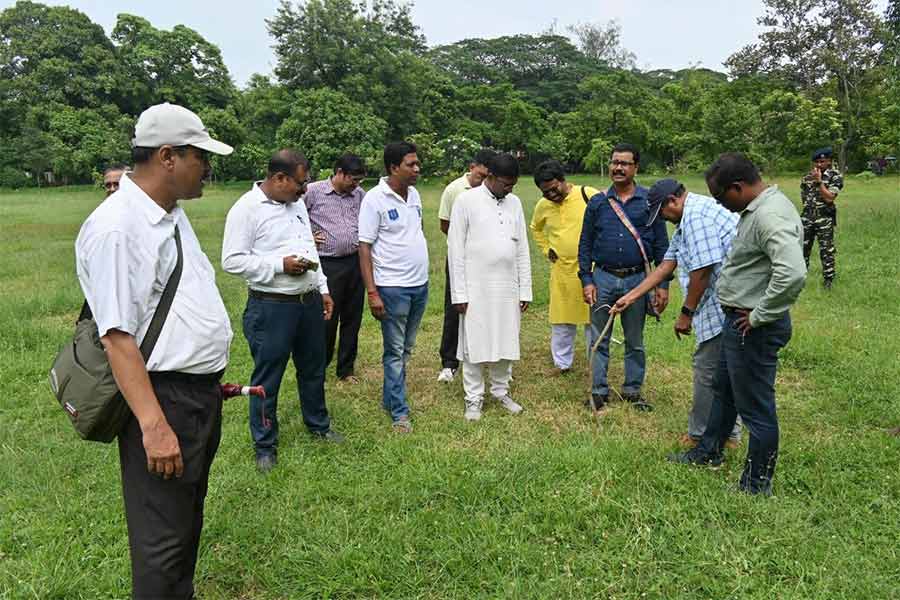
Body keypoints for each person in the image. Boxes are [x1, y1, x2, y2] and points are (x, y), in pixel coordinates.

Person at [75, 102, 234, 598]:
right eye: (200, 155)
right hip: (161, 400)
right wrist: (154, 422)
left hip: (191, 394)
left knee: (184, 524)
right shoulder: (118, 228)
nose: (208, 166)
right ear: (168, 156)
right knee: (162, 543)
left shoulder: (168, 214)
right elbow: (117, 337)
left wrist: (203, 377)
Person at [670, 153, 806, 497]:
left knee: (756, 407)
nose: (722, 206)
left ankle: (756, 484)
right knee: (724, 390)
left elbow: (792, 272)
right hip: (738, 321)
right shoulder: (756, 209)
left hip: (753, 327)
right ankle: (708, 452)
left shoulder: (769, 215)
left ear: (738, 187)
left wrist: (759, 315)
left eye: (722, 198)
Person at [222, 149, 344, 473]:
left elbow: (308, 246)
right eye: (300, 184)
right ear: (278, 178)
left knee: (313, 368)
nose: (305, 190)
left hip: (308, 303)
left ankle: (318, 424)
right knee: (268, 378)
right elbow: (232, 260)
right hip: (271, 307)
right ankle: (265, 445)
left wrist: (323, 288)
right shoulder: (246, 209)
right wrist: (279, 265)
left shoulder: (297, 204)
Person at [610, 179, 742, 449]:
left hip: (725, 303)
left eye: (663, 214)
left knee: (708, 370)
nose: (664, 220)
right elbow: (667, 264)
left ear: (673, 201)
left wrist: (686, 313)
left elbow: (703, 271)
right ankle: (729, 435)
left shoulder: (696, 217)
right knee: (724, 370)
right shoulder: (689, 216)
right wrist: (631, 296)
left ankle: (701, 434)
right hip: (724, 301)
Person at [577, 143, 670, 413]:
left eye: (625, 163)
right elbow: (585, 243)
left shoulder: (648, 200)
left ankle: (632, 390)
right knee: (598, 338)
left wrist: (662, 284)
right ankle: (598, 392)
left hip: (637, 281)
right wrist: (587, 279)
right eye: (615, 162)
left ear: (635, 168)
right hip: (602, 278)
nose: (618, 167)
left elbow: (662, 246)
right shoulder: (597, 203)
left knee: (635, 340)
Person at [448, 153, 532, 421]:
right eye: (506, 184)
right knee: (474, 343)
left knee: (506, 339)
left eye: (513, 185)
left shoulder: (515, 202)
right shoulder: (465, 201)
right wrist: (458, 293)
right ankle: (473, 398)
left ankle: (500, 390)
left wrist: (525, 289)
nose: (510, 189)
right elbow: (455, 250)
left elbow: (522, 248)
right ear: (490, 177)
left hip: (507, 286)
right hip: (475, 287)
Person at [359, 142, 428, 433]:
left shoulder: (413, 194)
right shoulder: (374, 199)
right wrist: (373, 293)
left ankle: (390, 399)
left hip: (419, 286)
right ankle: (400, 413)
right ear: (392, 167)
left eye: (417, 163)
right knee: (395, 351)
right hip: (392, 288)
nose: (417, 169)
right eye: (411, 164)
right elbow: (364, 247)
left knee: (406, 348)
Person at [530, 160, 599, 375]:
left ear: (563, 180)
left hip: (591, 269)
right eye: (545, 192)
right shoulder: (543, 205)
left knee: (593, 319)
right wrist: (546, 249)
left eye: (554, 189)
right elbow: (536, 228)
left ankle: (596, 362)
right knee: (561, 321)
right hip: (561, 271)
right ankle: (562, 364)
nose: (551, 195)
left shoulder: (589, 195)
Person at [304, 154, 367, 382]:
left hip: (355, 262)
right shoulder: (313, 191)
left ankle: (346, 369)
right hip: (327, 264)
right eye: (353, 179)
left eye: (359, 181)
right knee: (328, 318)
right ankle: (320, 366)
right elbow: (293, 216)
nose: (356, 184)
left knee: (353, 317)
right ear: (339, 172)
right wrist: (307, 236)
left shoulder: (359, 195)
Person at [436, 148, 495, 382]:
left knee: (486, 306)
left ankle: (486, 355)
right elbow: (444, 224)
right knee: (454, 309)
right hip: (459, 259)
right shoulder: (454, 190)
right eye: (481, 175)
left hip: (486, 261)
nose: (484, 180)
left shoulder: (493, 190)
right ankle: (449, 363)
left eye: (488, 176)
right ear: (472, 167)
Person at [801, 147, 843, 290]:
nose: (819, 165)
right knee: (803, 248)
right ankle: (800, 278)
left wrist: (819, 182)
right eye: (817, 162)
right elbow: (804, 197)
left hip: (824, 218)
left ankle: (828, 279)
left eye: (822, 161)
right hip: (807, 217)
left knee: (826, 250)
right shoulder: (807, 177)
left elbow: (830, 198)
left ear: (830, 161)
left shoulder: (835, 176)